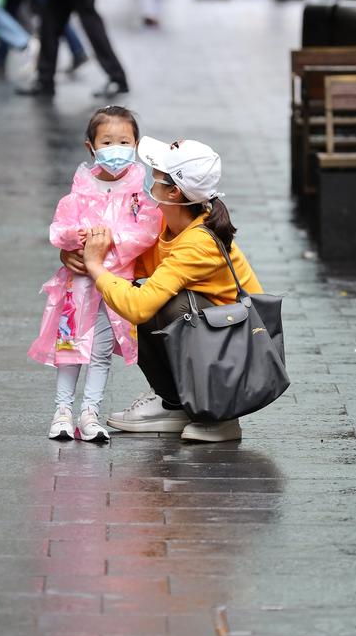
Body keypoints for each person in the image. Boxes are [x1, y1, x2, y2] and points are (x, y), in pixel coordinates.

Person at [70, 136, 264, 443]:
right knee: (148, 298)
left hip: (240, 355)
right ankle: (176, 404)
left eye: (156, 177)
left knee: (168, 308)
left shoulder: (199, 242)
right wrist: (75, 250)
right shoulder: (169, 222)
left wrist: (95, 267)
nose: (149, 182)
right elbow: (131, 264)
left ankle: (219, 416)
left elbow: (138, 307)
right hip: (221, 343)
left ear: (174, 192)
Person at [28, 106, 161, 442]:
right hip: (77, 287)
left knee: (101, 351)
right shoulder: (80, 189)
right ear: (91, 146)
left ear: (135, 144)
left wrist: (106, 249)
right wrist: (76, 242)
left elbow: (147, 230)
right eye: (107, 141)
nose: (116, 149)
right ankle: (61, 411)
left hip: (114, 286)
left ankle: (90, 412)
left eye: (123, 141)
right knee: (70, 348)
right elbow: (61, 227)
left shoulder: (138, 191)